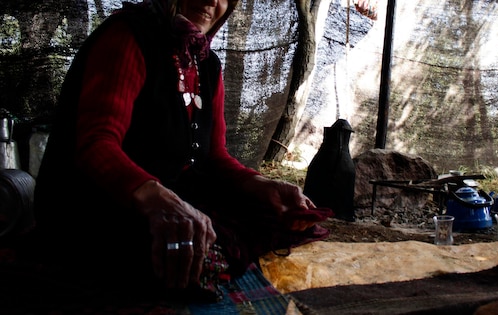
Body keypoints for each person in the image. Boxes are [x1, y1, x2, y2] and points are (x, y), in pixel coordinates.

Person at [24, 0, 333, 300]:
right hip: (98, 200)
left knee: (276, 217)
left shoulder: (206, 63)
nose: (213, 1)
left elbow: (214, 156)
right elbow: (96, 145)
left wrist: (262, 185)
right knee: (199, 254)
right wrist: (159, 200)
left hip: (173, 193)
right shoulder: (129, 36)